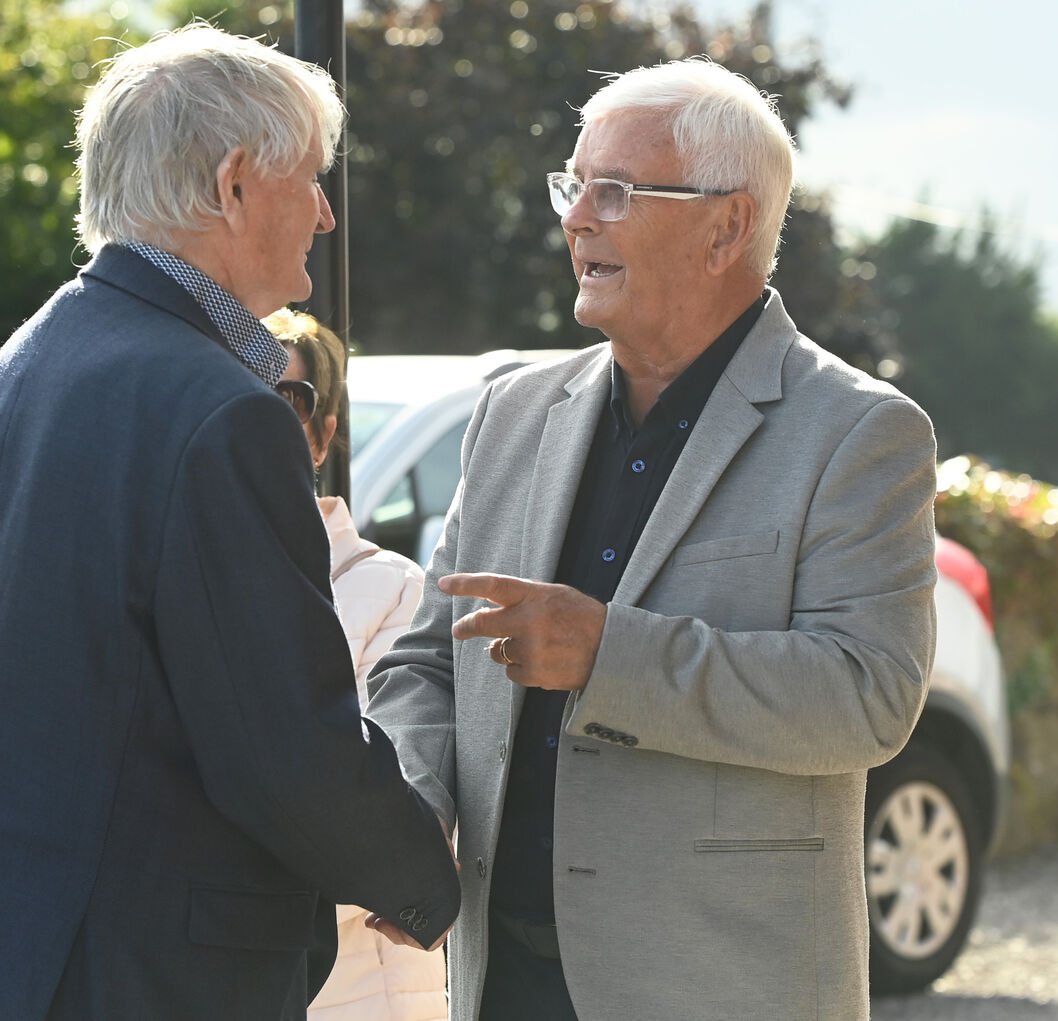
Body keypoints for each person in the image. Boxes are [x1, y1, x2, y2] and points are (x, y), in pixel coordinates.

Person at [0, 23, 459, 1021]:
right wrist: (423, 878)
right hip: (144, 975)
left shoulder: (24, 365)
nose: (325, 213)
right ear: (235, 184)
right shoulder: (223, 410)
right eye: (314, 179)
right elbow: (280, 741)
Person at [365, 57, 938, 1021]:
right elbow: (427, 659)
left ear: (728, 226)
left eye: (617, 191)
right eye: (572, 185)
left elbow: (867, 694)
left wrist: (608, 655)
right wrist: (415, 804)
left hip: (717, 988)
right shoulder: (511, 412)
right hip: (500, 984)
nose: (577, 217)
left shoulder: (860, 432)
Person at [267, 308, 450, 1020]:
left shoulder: (394, 590)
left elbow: (385, 814)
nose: (257, 414)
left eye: (287, 399)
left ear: (322, 434)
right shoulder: (191, 581)